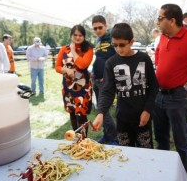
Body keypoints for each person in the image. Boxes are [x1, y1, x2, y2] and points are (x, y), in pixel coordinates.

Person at [153, 3, 187, 171]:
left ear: (172, 20)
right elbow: (158, 57)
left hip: (177, 97)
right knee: (161, 138)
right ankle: (164, 172)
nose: (157, 22)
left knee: (180, 141)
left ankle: (180, 174)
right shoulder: (162, 37)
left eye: (160, 18)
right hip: (158, 95)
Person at [92, 23, 159, 148]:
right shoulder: (111, 63)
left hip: (142, 117)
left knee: (145, 152)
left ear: (131, 42)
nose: (118, 49)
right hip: (123, 118)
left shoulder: (144, 59)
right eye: (115, 45)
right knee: (124, 153)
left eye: (122, 45)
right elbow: (107, 91)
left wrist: (147, 110)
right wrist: (101, 113)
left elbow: (154, 87)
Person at [55, 25, 93, 132]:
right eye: (75, 35)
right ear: (71, 35)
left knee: (81, 114)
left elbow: (82, 65)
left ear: (84, 36)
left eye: (80, 35)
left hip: (82, 87)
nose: (77, 37)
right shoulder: (63, 49)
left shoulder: (88, 49)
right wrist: (66, 70)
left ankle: (84, 142)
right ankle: (76, 140)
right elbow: (57, 67)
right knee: (72, 113)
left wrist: (73, 50)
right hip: (68, 86)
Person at [91, 15, 118, 145]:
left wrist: (108, 76)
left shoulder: (113, 38)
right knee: (100, 109)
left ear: (106, 26)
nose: (97, 30)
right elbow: (99, 58)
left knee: (104, 111)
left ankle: (114, 137)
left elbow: (117, 58)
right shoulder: (98, 39)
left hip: (106, 80)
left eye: (100, 27)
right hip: (96, 79)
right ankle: (107, 135)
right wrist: (93, 72)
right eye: (95, 28)